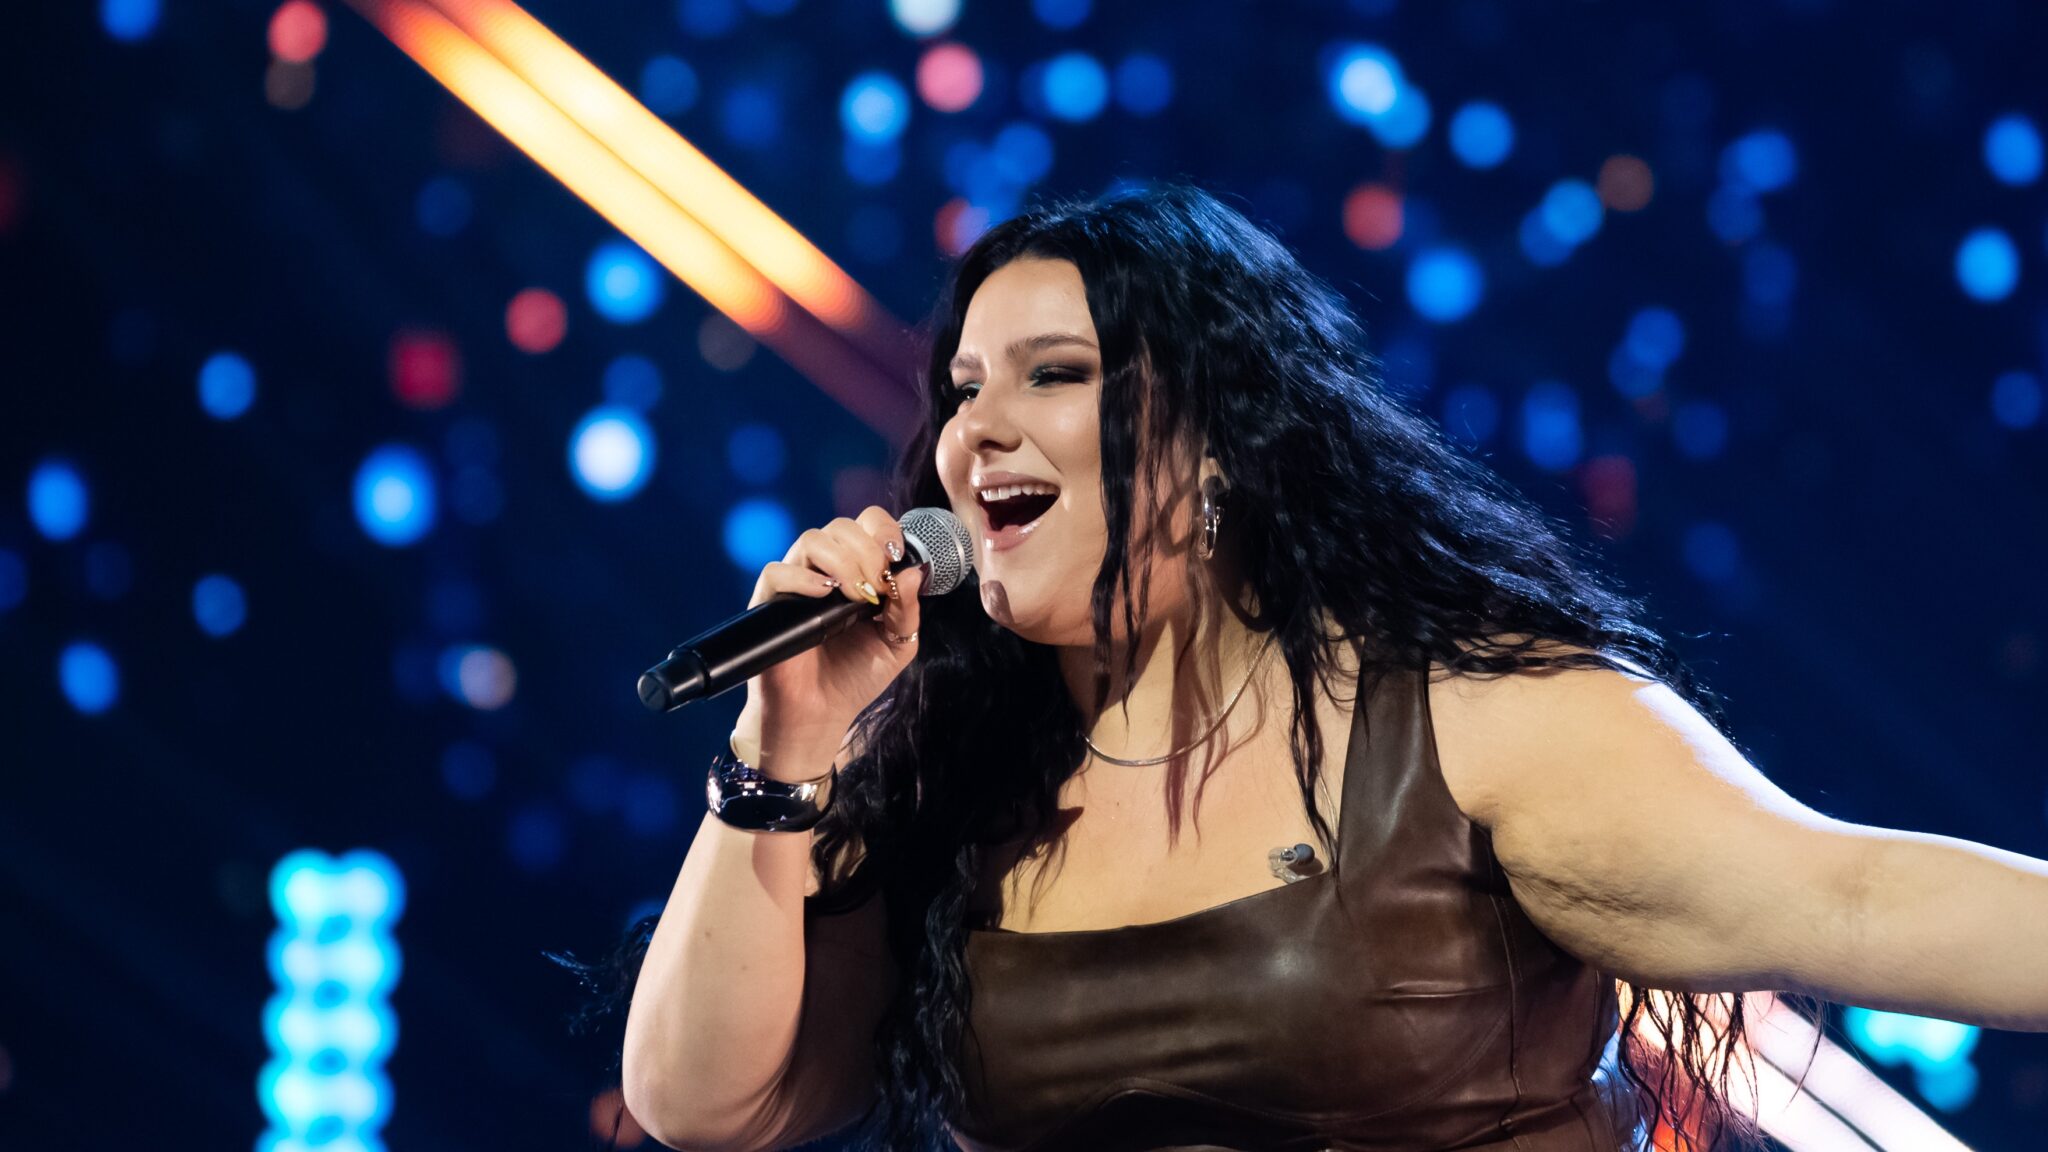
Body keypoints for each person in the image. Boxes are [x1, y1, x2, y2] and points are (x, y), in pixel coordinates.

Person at [576, 184, 2048, 1152]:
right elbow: (707, 1104)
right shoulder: (953, 799)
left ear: (1219, 442)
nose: (975, 432)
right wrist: (783, 746)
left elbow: (1850, 894)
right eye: (963, 390)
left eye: (1056, 375)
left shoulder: (1466, 727)